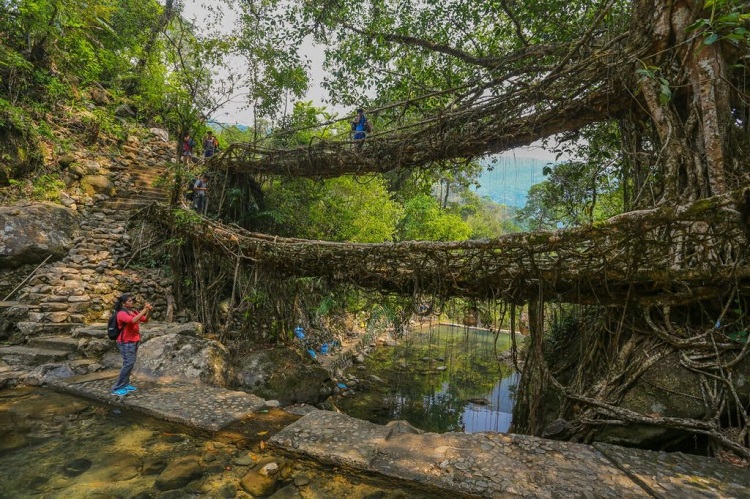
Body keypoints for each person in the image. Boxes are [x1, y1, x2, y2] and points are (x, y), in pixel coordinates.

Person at [111, 293, 153, 396]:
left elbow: (144, 320)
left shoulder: (133, 311)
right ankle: (117, 388)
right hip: (125, 341)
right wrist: (144, 309)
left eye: (132, 301)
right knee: (128, 364)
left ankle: (125, 384)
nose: (131, 302)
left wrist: (148, 311)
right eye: (129, 301)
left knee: (130, 363)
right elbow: (132, 321)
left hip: (134, 340)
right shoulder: (121, 313)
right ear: (123, 303)